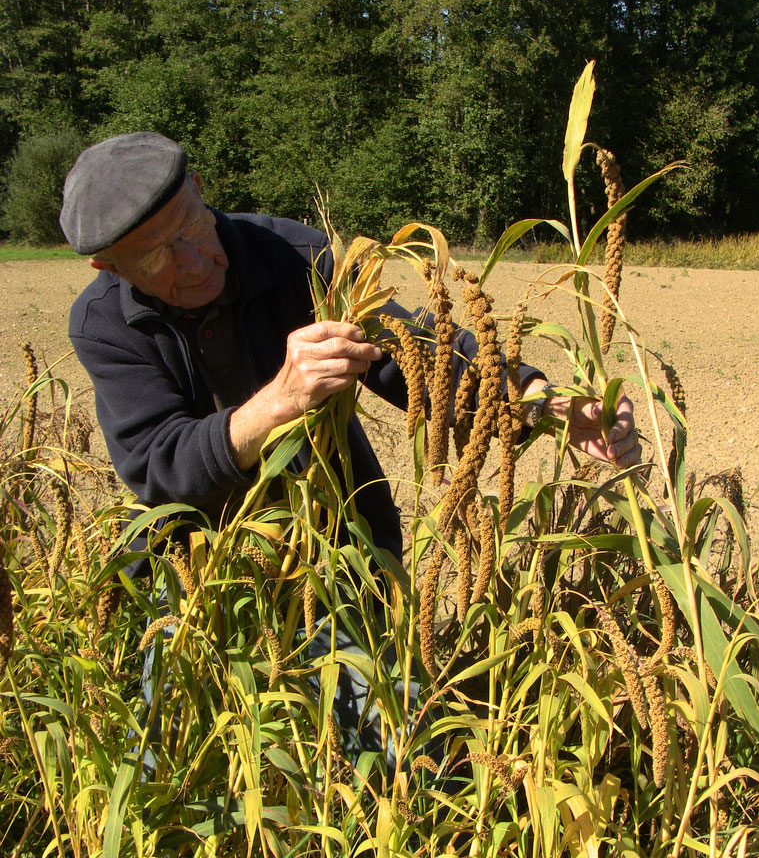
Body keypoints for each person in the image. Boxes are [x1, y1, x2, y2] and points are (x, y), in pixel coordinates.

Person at [60, 132, 641, 566]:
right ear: (107, 266)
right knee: (161, 713)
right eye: (155, 258)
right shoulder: (103, 324)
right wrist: (279, 402)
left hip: (338, 544)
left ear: (200, 190)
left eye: (190, 228)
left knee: (384, 716)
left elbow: (412, 353)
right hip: (193, 555)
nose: (189, 264)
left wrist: (538, 400)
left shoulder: (296, 257)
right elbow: (159, 466)